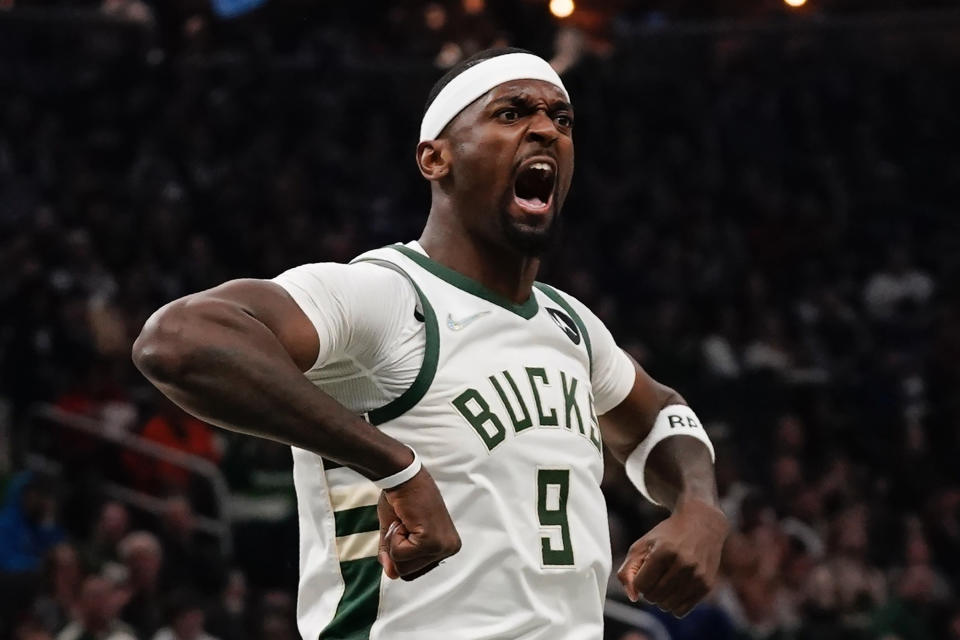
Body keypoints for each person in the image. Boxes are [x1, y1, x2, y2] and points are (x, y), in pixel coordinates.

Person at [133, 48, 728, 639]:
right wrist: (396, 467)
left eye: (561, 118)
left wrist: (700, 508)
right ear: (435, 157)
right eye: (512, 113)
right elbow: (179, 340)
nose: (546, 129)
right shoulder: (385, 295)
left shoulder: (569, 322)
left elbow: (661, 417)